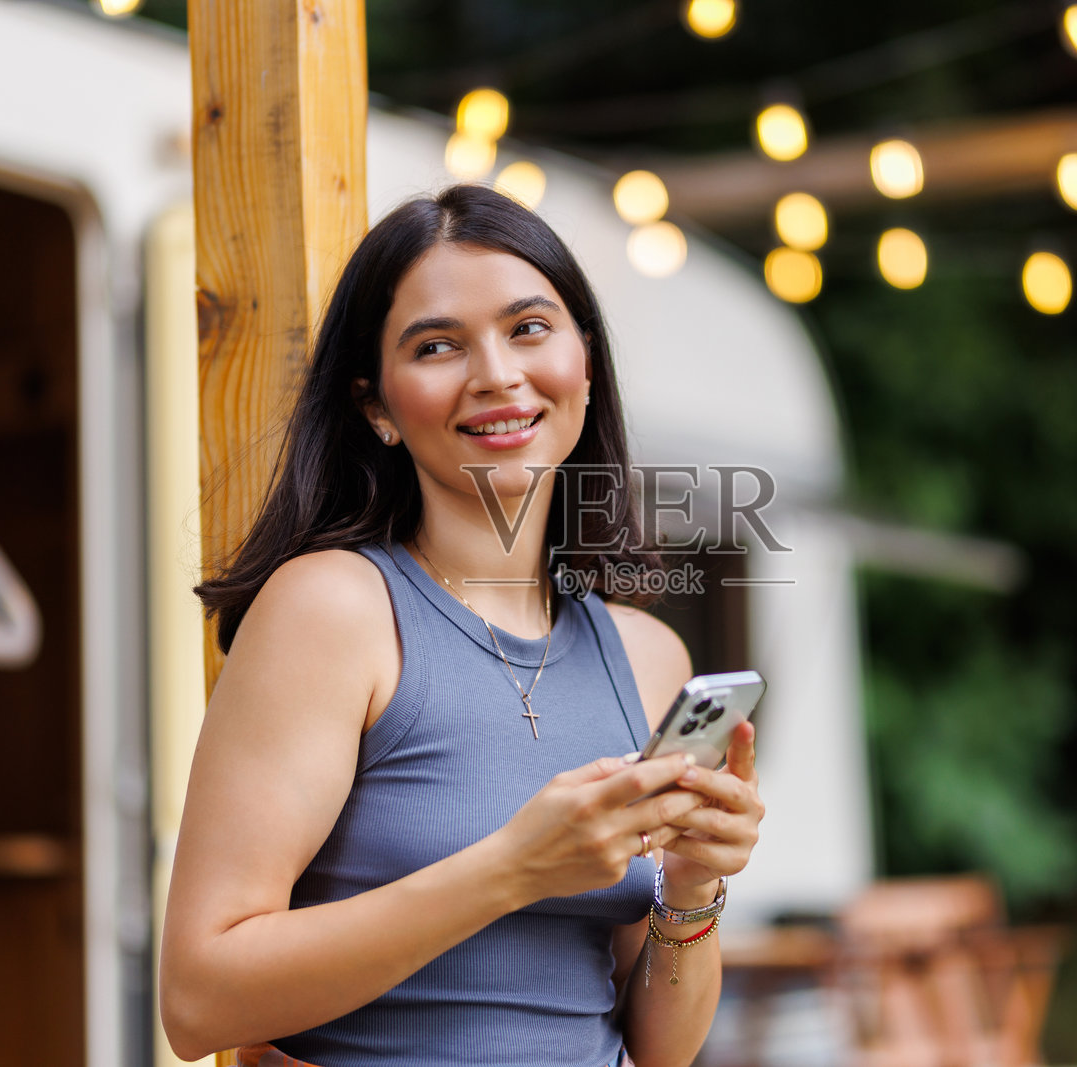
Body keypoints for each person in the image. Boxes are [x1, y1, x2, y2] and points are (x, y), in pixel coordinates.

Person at [160, 183, 765, 1067]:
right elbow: (196, 998)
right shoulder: (333, 609)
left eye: (528, 328)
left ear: (585, 365)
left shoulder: (645, 654)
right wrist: (513, 866)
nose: (495, 373)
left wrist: (692, 882)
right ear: (376, 407)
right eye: (438, 345)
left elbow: (660, 1046)